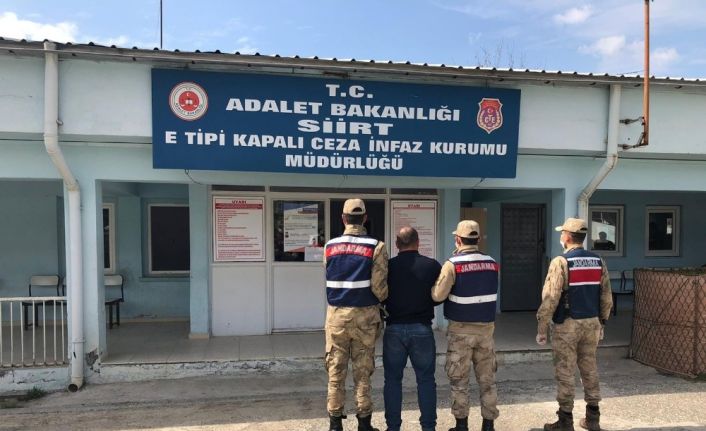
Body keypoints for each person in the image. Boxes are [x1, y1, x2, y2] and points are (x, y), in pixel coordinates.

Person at [536, 217, 613, 431]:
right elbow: (606, 295)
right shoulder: (598, 260)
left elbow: (551, 298)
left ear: (568, 237)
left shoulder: (561, 262)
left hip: (568, 325)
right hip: (592, 322)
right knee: (589, 367)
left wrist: (542, 327)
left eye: (562, 233)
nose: (561, 236)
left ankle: (565, 421)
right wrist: (602, 322)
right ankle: (593, 418)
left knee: (565, 371)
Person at [324, 198, 388, 431]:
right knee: (363, 372)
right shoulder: (376, 247)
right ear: (365, 218)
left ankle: (335, 424)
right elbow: (379, 288)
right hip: (365, 318)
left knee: (335, 371)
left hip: (336, 317)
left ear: (343, 219)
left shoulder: (330, 246)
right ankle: (364, 424)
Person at [432, 220, 499, 431]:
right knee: (487, 381)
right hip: (486, 332)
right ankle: (488, 425)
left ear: (458, 240)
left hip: (460, 332)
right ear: (477, 239)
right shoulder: (492, 263)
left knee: (459, 381)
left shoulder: (452, 264)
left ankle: (461, 426)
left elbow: (437, 295)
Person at [383, 226, 442, 431]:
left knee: (392, 380)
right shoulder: (432, 266)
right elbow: (441, 293)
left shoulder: (388, 266)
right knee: (426, 380)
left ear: (397, 244)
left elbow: (379, 292)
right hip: (422, 329)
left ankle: (393, 427)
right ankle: (428, 427)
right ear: (418, 243)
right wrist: (428, 303)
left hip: (394, 329)